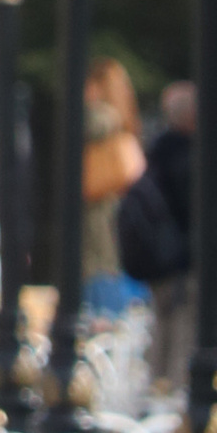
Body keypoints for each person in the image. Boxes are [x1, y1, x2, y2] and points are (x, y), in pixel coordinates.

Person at [121, 83, 197, 401]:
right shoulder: (187, 155)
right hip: (181, 259)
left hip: (161, 259)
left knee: (163, 327)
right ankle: (174, 399)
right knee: (182, 331)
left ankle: (158, 393)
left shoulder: (158, 151)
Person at [79, 59, 146, 307]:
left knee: (100, 273)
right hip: (117, 207)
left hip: (101, 209)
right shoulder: (124, 121)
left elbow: (89, 126)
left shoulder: (101, 117)